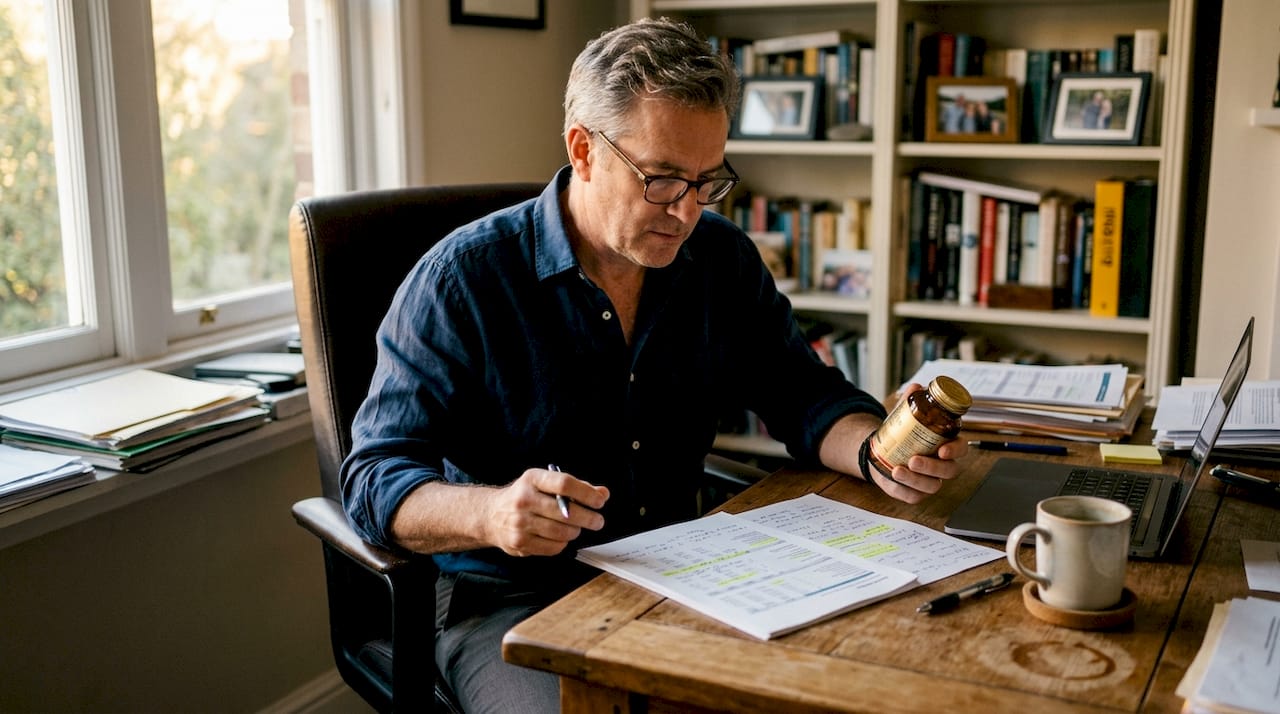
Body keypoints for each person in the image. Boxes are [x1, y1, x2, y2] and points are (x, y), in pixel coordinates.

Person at [340, 17, 968, 714]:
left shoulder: (720, 259)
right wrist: (491, 513)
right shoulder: (462, 281)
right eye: (663, 180)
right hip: (512, 599)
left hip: (685, 569)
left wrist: (878, 454)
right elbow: (373, 481)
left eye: (707, 182)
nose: (688, 212)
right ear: (583, 150)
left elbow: (801, 391)